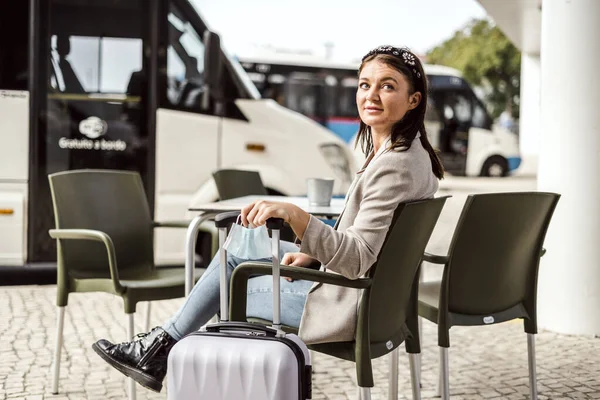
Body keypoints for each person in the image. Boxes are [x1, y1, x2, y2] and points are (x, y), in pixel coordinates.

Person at [91, 45, 445, 393]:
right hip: (377, 300)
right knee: (238, 250)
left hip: (349, 305)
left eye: (387, 85)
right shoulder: (410, 155)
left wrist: (296, 215)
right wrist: (312, 254)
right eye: (365, 84)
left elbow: (356, 258)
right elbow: (371, 240)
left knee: (231, 285)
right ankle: (159, 348)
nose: (372, 95)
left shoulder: (394, 165)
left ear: (413, 100)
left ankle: (161, 351)